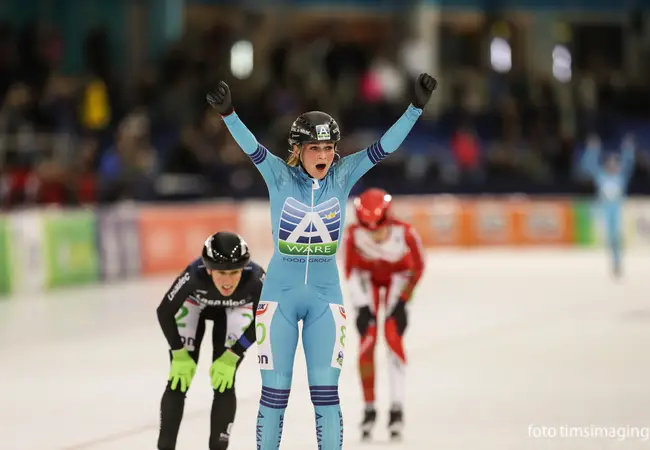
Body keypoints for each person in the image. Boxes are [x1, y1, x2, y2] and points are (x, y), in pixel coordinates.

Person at [206, 73, 436, 449]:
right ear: (298, 150)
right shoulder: (278, 175)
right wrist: (228, 113)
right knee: (274, 396)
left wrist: (415, 108)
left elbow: (384, 147)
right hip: (279, 297)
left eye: (329, 148)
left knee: (327, 395)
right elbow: (251, 147)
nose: (324, 156)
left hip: (325, 299)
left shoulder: (343, 176)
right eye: (315, 148)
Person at [156, 231, 265, 450]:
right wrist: (178, 353)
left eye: (235, 272)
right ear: (208, 269)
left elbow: (266, 317)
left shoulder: (256, 278)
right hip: (195, 304)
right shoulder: (193, 275)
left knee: (224, 380)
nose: (228, 281)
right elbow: (164, 311)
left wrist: (235, 354)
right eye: (221, 273)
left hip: (235, 309)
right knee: (179, 379)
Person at [344, 187, 425, 440]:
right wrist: (361, 306)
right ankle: (369, 408)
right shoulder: (353, 235)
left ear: (388, 218)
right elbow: (350, 271)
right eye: (367, 229)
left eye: (379, 228)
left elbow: (418, 267)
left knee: (392, 338)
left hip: (397, 280)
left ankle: (396, 409)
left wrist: (403, 301)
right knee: (367, 342)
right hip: (367, 280)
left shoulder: (406, 232)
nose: (374, 234)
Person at [579, 135, 635, 277]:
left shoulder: (621, 176)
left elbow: (629, 164)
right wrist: (592, 150)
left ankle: (617, 262)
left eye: (615, 163)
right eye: (610, 163)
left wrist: (628, 150)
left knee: (616, 235)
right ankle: (614, 261)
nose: (613, 165)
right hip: (604, 208)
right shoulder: (601, 175)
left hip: (616, 208)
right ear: (606, 164)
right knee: (610, 237)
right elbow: (588, 166)